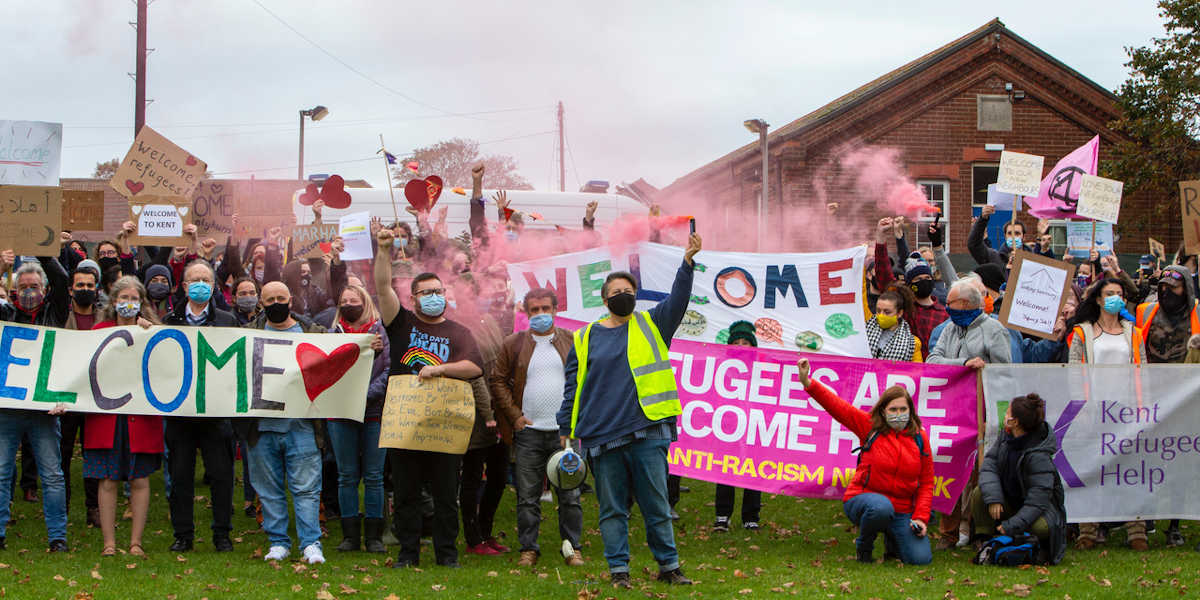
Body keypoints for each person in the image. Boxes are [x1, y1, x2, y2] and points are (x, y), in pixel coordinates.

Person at [556, 233, 703, 588]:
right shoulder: (585, 337)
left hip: (647, 431)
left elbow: (679, 300)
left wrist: (687, 263)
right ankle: (618, 571)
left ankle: (669, 566)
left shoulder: (653, 324)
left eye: (630, 291)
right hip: (602, 437)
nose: (625, 296)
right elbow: (573, 386)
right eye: (618, 292)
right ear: (605, 299)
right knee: (612, 510)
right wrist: (565, 426)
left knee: (656, 504)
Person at [374, 228, 483, 569]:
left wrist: (441, 370)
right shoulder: (401, 322)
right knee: (405, 493)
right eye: (427, 292)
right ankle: (408, 554)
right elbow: (380, 289)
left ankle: (446, 554)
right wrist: (383, 252)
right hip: (405, 423)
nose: (434, 296)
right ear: (413, 297)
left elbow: (474, 366)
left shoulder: (458, 332)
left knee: (445, 494)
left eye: (438, 291)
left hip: (444, 425)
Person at [796, 357, 933, 564]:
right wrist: (808, 382)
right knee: (881, 508)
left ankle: (893, 540)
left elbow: (927, 482)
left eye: (903, 410)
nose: (898, 414)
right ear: (883, 411)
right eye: (893, 410)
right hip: (864, 500)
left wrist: (921, 518)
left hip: (902, 511)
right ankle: (864, 547)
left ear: (910, 411)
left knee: (920, 559)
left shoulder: (920, 438)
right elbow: (838, 407)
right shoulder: (870, 427)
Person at [490, 288, 585, 567]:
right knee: (527, 496)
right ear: (526, 312)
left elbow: (584, 379)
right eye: (535, 310)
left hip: (564, 434)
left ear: (555, 310)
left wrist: (575, 419)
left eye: (546, 309)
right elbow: (497, 380)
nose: (541, 314)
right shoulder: (513, 343)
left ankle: (572, 548)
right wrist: (515, 416)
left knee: (570, 495)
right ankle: (528, 549)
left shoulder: (572, 340)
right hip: (529, 433)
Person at [238, 281, 328, 564]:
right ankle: (278, 542)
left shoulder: (315, 333)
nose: (275, 302)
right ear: (261, 304)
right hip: (261, 428)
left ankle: (310, 543)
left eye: (281, 297)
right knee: (268, 488)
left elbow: (342, 356)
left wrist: (368, 347)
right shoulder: (245, 335)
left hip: (302, 426)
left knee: (307, 488)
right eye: (269, 299)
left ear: (291, 300)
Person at [926, 278, 1012, 549]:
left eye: (950, 303)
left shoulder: (994, 331)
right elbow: (933, 360)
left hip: (982, 412)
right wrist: (963, 364)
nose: (947, 308)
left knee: (979, 471)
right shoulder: (949, 329)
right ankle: (948, 532)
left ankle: (978, 531)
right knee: (949, 470)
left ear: (965, 304)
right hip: (952, 411)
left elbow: (1004, 369)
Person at [162, 260, 238, 553]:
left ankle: (222, 534)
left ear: (214, 286)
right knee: (180, 476)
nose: (200, 284)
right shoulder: (169, 321)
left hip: (215, 414)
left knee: (221, 475)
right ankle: (183, 534)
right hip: (181, 415)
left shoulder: (227, 320)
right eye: (194, 279)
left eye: (206, 280)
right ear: (183, 286)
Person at [87, 276, 162, 557]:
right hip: (106, 418)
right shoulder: (99, 331)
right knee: (107, 480)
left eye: (134, 299)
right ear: (113, 302)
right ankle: (109, 543)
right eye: (123, 299)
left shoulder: (152, 333)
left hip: (140, 417)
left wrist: (151, 330)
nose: (128, 304)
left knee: (140, 479)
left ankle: (135, 542)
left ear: (141, 304)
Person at [0, 259, 70, 552]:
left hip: (44, 411)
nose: (29, 291)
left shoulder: (54, 313)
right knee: (2, 472)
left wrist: (43, 250)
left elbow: (63, 280)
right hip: (8, 410)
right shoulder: (6, 314)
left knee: (52, 475)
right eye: (23, 287)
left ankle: (57, 537)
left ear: (45, 289)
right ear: (14, 291)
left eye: (35, 287)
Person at [1134, 265, 1198, 547]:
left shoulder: (1198, 312)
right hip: (1151, 395)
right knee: (1148, 457)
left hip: (1186, 398)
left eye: (1173, 288)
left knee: (1180, 460)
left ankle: (1174, 523)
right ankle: (1145, 515)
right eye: (1161, 287)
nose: (1166, 293)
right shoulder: (1146, 311)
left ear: (1186, 288)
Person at [327, 284, 390, 554]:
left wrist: (366, 395)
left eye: (355, 300)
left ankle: (374, 536)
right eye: (345, 301)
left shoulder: (380, 333)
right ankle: (350, 536)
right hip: (340, 413)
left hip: (374, 411)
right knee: (346, 475)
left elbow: (389, 369)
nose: (350, 304)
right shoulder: (331, 335)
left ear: (365, 303)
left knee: (374, 476)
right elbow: (324, 369)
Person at [971, 394, 1067, 564]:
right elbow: (989, 465)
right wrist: (994, 498)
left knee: (1040, 527)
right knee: (980, 493)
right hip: (1013, 503)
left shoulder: (1039, 456)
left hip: (1040, 511)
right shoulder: (1006, 436)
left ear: (1015, 422)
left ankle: (1038, 545)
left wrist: (1010, 526)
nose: (1005, 417)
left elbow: (1037, 503)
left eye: (1007, 413)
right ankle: (985, 540)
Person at [60, 264, 103, 529]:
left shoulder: (105, 319)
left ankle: (93, 507)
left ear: (96, 289)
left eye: (89, 286)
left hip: (95, 397)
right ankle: (61, 506)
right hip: (65, 396)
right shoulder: (60, 318)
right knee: (62, 453)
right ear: (70, 290)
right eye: (80, 286)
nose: (85, 290)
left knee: (94, 454)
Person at [712, 321, 763, 532]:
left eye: (746, 342)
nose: (741, 346)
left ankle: (751, 516)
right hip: (729, 427)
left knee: (754, 469)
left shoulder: (763, 369)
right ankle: (722, 515)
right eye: (737, 342)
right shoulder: (721, 369)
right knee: (726, 470)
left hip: (755, 427)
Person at [867, 289, 924, 362]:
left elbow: (917, 370)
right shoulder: (865, 330)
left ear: (899, 313)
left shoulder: (912, 343)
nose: (881, 315)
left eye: (887, 312)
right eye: (878, 311)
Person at [968, 205, 1023, 271]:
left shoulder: (1031, 259)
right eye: (1009, 233)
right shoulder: (995, 258)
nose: (1013, 237)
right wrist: (982, 219)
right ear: (1005, 236)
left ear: (1024, 237)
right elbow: (974, 245)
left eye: (1017, 233)